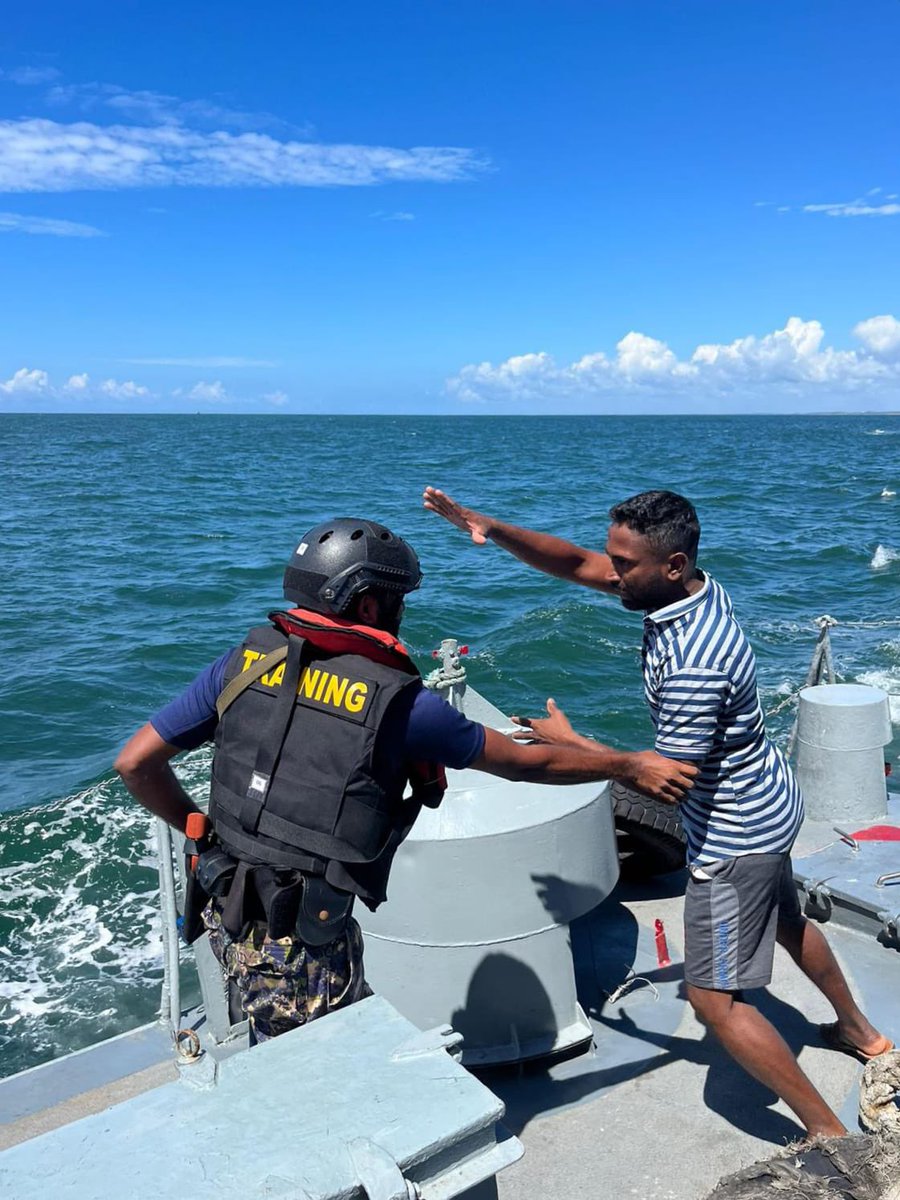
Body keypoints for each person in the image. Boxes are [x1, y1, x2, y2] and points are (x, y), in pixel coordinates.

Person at [115, 516, 697, 1044]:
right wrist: (628, 764)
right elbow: (524, 764)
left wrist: (199, 828)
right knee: (320, 1070)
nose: (400, 611)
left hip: (225, 907)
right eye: (396, 599)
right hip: (304, 940)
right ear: (368, 606)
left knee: (273, 1043)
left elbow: (136, 762)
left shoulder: (242, 660)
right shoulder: (399, 704)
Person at [423, 486, 893, 1139]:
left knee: (714, 1002)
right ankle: (862, 1034)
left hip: (734, 836)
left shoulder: (694, 663)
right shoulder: (697, 587)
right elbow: (578, 564)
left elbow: (664, 780)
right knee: (784, 916)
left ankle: (825, 1131)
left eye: (624, 564)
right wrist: (488, 527)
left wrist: (572, 743)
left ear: (670, 565)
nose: (609, 572)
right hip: (769, 798)